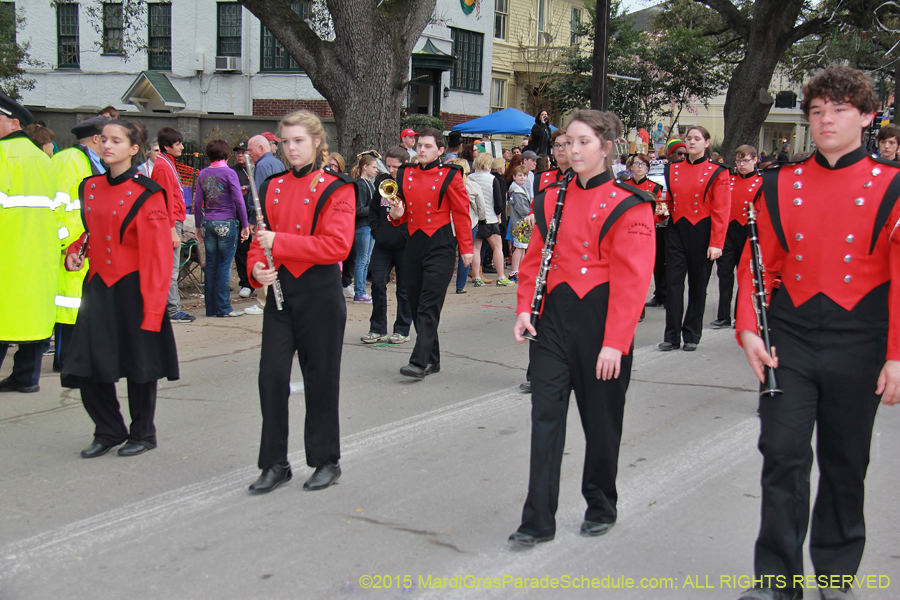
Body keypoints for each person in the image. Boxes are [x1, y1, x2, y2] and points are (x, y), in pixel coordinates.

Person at [734, 65, 900, 600]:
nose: (826, 119)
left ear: (868, 116)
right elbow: (757, 268)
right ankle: (776, 581)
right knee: (781, 449)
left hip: (862, 337)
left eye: (840, 109)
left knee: (846, 460)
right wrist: (749, 330)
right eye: (818, 110)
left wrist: (896, 355)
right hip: (791, 335)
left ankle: (834, 576)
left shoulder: (894, 187)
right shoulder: (780, 183)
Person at [508, 109, 655, 548]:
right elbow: (534, 259)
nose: (573, 150)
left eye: (584, 142)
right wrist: (523, 309)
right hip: (553, 320)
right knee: (545, 418)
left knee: (601, 422)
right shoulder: (551, 197)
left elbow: (633, 281)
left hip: (602, 322)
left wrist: (616, 342)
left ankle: (601, 502)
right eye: (568, 142)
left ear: (607, 147)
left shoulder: (631, 203)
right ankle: (538, 519)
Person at [246, 110, 356, 494]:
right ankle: (275, 463)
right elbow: (258, 241)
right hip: (280, 295)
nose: (291, 148)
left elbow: (336, 246)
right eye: (286, 141)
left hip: (320, 294)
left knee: (320, 380)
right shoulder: (271, 185)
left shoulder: (336, 188)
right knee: (271, 378)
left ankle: (327, 460)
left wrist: (280, 244)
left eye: (299, 141)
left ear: (316, 143)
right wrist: (257, 271)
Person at [62, 119, 178, 458]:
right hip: (98, 286)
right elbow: (92, 231)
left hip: (136, 287)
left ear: (133, 148)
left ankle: (143, 433)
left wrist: (155, 307)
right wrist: (75, 251)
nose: (107, 145)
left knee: (140, 365)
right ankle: (109, 429)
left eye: (116, 140)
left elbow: (158, 255)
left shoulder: (147, 192)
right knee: (84, 364)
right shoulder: (90, 187)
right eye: (103, 139)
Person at [387, 127, 473, 378]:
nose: (421, 150)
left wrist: (466, 248)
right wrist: (395, 216)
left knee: (428, 305)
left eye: (427, 146)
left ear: (440, 150)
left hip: (441, 244)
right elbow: (399, 211)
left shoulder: (450, 174)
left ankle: (418, 361)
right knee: (414, 303)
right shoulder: (405, 173)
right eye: (420, 145)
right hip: (413, 243)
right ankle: (432, 359)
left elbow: (461, 212)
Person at [0, 93, 60, 394]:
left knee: (4, 316)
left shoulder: (2, 155)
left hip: (8, 254)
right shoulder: (44, 159)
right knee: (34, 317)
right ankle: (26, 377)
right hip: (40, 254)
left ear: (13, 123)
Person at [659, 127, 730, 351]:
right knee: (673, 284)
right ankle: (671, 336)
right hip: (676, 230)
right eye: (688, 138)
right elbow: (669, 201)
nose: (691, 142)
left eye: (697, 139)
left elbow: (721, 210)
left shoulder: (718, 171)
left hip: (703, 230)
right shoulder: (672, 169)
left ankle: (692, 334)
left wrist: (717, 243)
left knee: (697, 286)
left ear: (706, 143)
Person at [50, 116, 109, 372]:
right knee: (69, 305)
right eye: (107, 139)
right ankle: (66, 360)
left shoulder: (89, 161)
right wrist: (64, 242)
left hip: (85, 245)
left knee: (81, 305)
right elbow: (57, 206)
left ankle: (77, 358)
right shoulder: (70, 161)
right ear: (96, 138)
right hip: (73, 246)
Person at [194, 139, 250, 318]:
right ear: (226, 154)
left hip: (209, 222)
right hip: (226, 221)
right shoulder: (229, 173)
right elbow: (239, 200)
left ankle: (211, 308)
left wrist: (197, 225)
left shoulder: (203, 173)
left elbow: (197, 203)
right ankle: (224, 307)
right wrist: (245, 224)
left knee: (211, 265)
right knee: (225, 266)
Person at [362, 146, 412, 344]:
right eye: (389, 166)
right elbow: (374, 209)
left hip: (404, 244)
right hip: (383, 242)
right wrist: (377, 231)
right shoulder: (383, 181)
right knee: (376, 284)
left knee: (404, 289)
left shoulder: (411, 184)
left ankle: (402, 329)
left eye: (396, 167)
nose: (391, 170)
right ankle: (377, 328)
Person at [150, 126, 196, 324]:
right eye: (178, 144)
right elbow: (164, 200)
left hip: (175, 220)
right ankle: (171, 308)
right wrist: (171, 230)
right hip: (170, 223)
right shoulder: (162, 166)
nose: (182, 147)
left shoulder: (167, 163)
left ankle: (170, 307)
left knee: (171, 266)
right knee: (170, 267)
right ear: (167, 147)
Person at [711, 144, 758, 328]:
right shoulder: (728, 181)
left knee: (745, 276)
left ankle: (741, 315)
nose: (741, 164)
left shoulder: (761, 183)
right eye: (739, 161)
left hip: (748, 232)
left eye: (746, 160)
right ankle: (723, 315)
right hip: (729, 231)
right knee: (724, 274)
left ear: (755, 160)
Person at [246, 134, 288, 312]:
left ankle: (263, 300)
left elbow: (259, 195)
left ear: (261, 149)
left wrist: (252, 220)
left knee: (264, 254)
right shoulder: (277, 163)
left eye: (250, 149)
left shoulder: (262, 165)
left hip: (265, 217)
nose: (249, 153)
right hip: (278, 216)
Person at [627, 153, 665, 312]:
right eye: (636, 164)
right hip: (627, 233)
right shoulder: (623, 185)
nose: (639, 167)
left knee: (644, 270)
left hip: (647, 232)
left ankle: (640, 305)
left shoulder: (655, 187)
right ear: (631, 167)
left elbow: (663, 213)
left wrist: (649, 220)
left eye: (643, 164)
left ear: (648, 168)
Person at [469, 152, 510, 287]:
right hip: (490, 218)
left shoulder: (470, 178)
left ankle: (477, 277)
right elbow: (498, 202)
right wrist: (499, 216)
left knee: (476, 248)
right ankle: (501, 276)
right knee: (497, 247)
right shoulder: (492, 179)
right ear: (488, 164)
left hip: (475, 218)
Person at [451, 158, 487, 293]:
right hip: (470, 222)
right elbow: (481, 206)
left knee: (449, 254)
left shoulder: (449, 184)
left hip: (451, 223)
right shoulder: (473, 186)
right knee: (465, 254)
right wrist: (481, 218)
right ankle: (460, 286)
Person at [350, 154, 378, 302]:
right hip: (363, 227)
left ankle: (360, 290)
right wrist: (375, 208)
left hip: (369, 226)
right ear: (365, 167)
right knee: (362, 259)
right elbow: (359, 209)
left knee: (366, 259)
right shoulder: (361, 184)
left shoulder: (369, 183)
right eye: (373, 167)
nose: (376, 170)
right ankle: (359, 291)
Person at [230, 140, 256, 306]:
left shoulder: (257, 170)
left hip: (257, 215)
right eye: (238, 152)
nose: (240, 155)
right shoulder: (233, 171)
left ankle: (258, 279)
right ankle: (245, 282)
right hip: (240, 216)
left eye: (244, 151)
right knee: (242, 250)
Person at [507, 165, 531, 282]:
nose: (522, 178)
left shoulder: (521, 189)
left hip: (523, 223)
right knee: (519, 247)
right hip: (520, 224)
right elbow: (522, 210)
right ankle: (514, 272)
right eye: (520, 175)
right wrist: (531, 213)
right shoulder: (517, 191)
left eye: (524, 175)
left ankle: (520, 270)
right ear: (514, 177)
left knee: (523, 247)